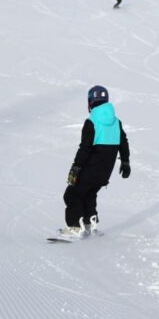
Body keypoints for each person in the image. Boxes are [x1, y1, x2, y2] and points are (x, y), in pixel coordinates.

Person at [61, 86, 131, 237]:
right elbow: (123, 141)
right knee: (89, 193)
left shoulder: (91, 122)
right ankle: (89, 225)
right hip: (105, 172)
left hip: (90, 168)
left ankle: (74, 228)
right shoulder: (116, 122)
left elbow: (85, 148)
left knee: (71, 194)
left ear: (90, 101)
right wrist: (125, 162)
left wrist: (76, 167)